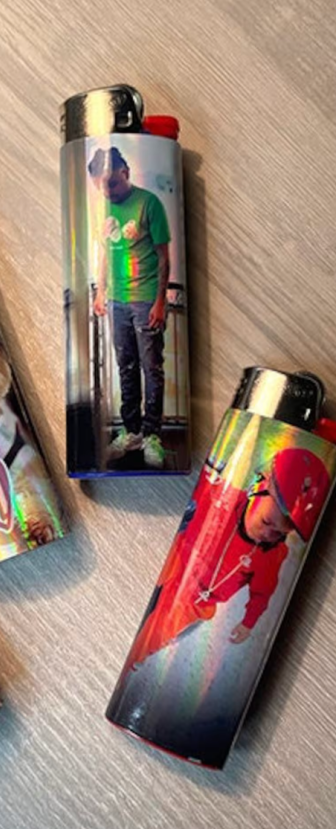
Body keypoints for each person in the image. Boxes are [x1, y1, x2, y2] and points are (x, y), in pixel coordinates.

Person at [124, 447, 331, 671]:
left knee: (153, 636)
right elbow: (206, 485)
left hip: (196, 601)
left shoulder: (272, 553)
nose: (268, 534)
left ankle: (136, 661)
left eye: (280, 533)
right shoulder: (227, 499)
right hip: (176, 565)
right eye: (267, 522)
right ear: (260, 486)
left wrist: (248, 623)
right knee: (139, 609)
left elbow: (263, 592)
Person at [88, 147, 171, 468]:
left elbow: (163, 256)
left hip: (146, 299)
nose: (107, 191)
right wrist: (100, 291)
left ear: (125, 172)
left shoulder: (149, 203)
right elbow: (104, 254)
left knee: (151, 367)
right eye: (101, 186)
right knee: (126, 366)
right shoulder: (102, 210)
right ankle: (132, 431)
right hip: (117, 301)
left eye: (112, 183)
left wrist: (160, 301)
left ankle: (152, 435)